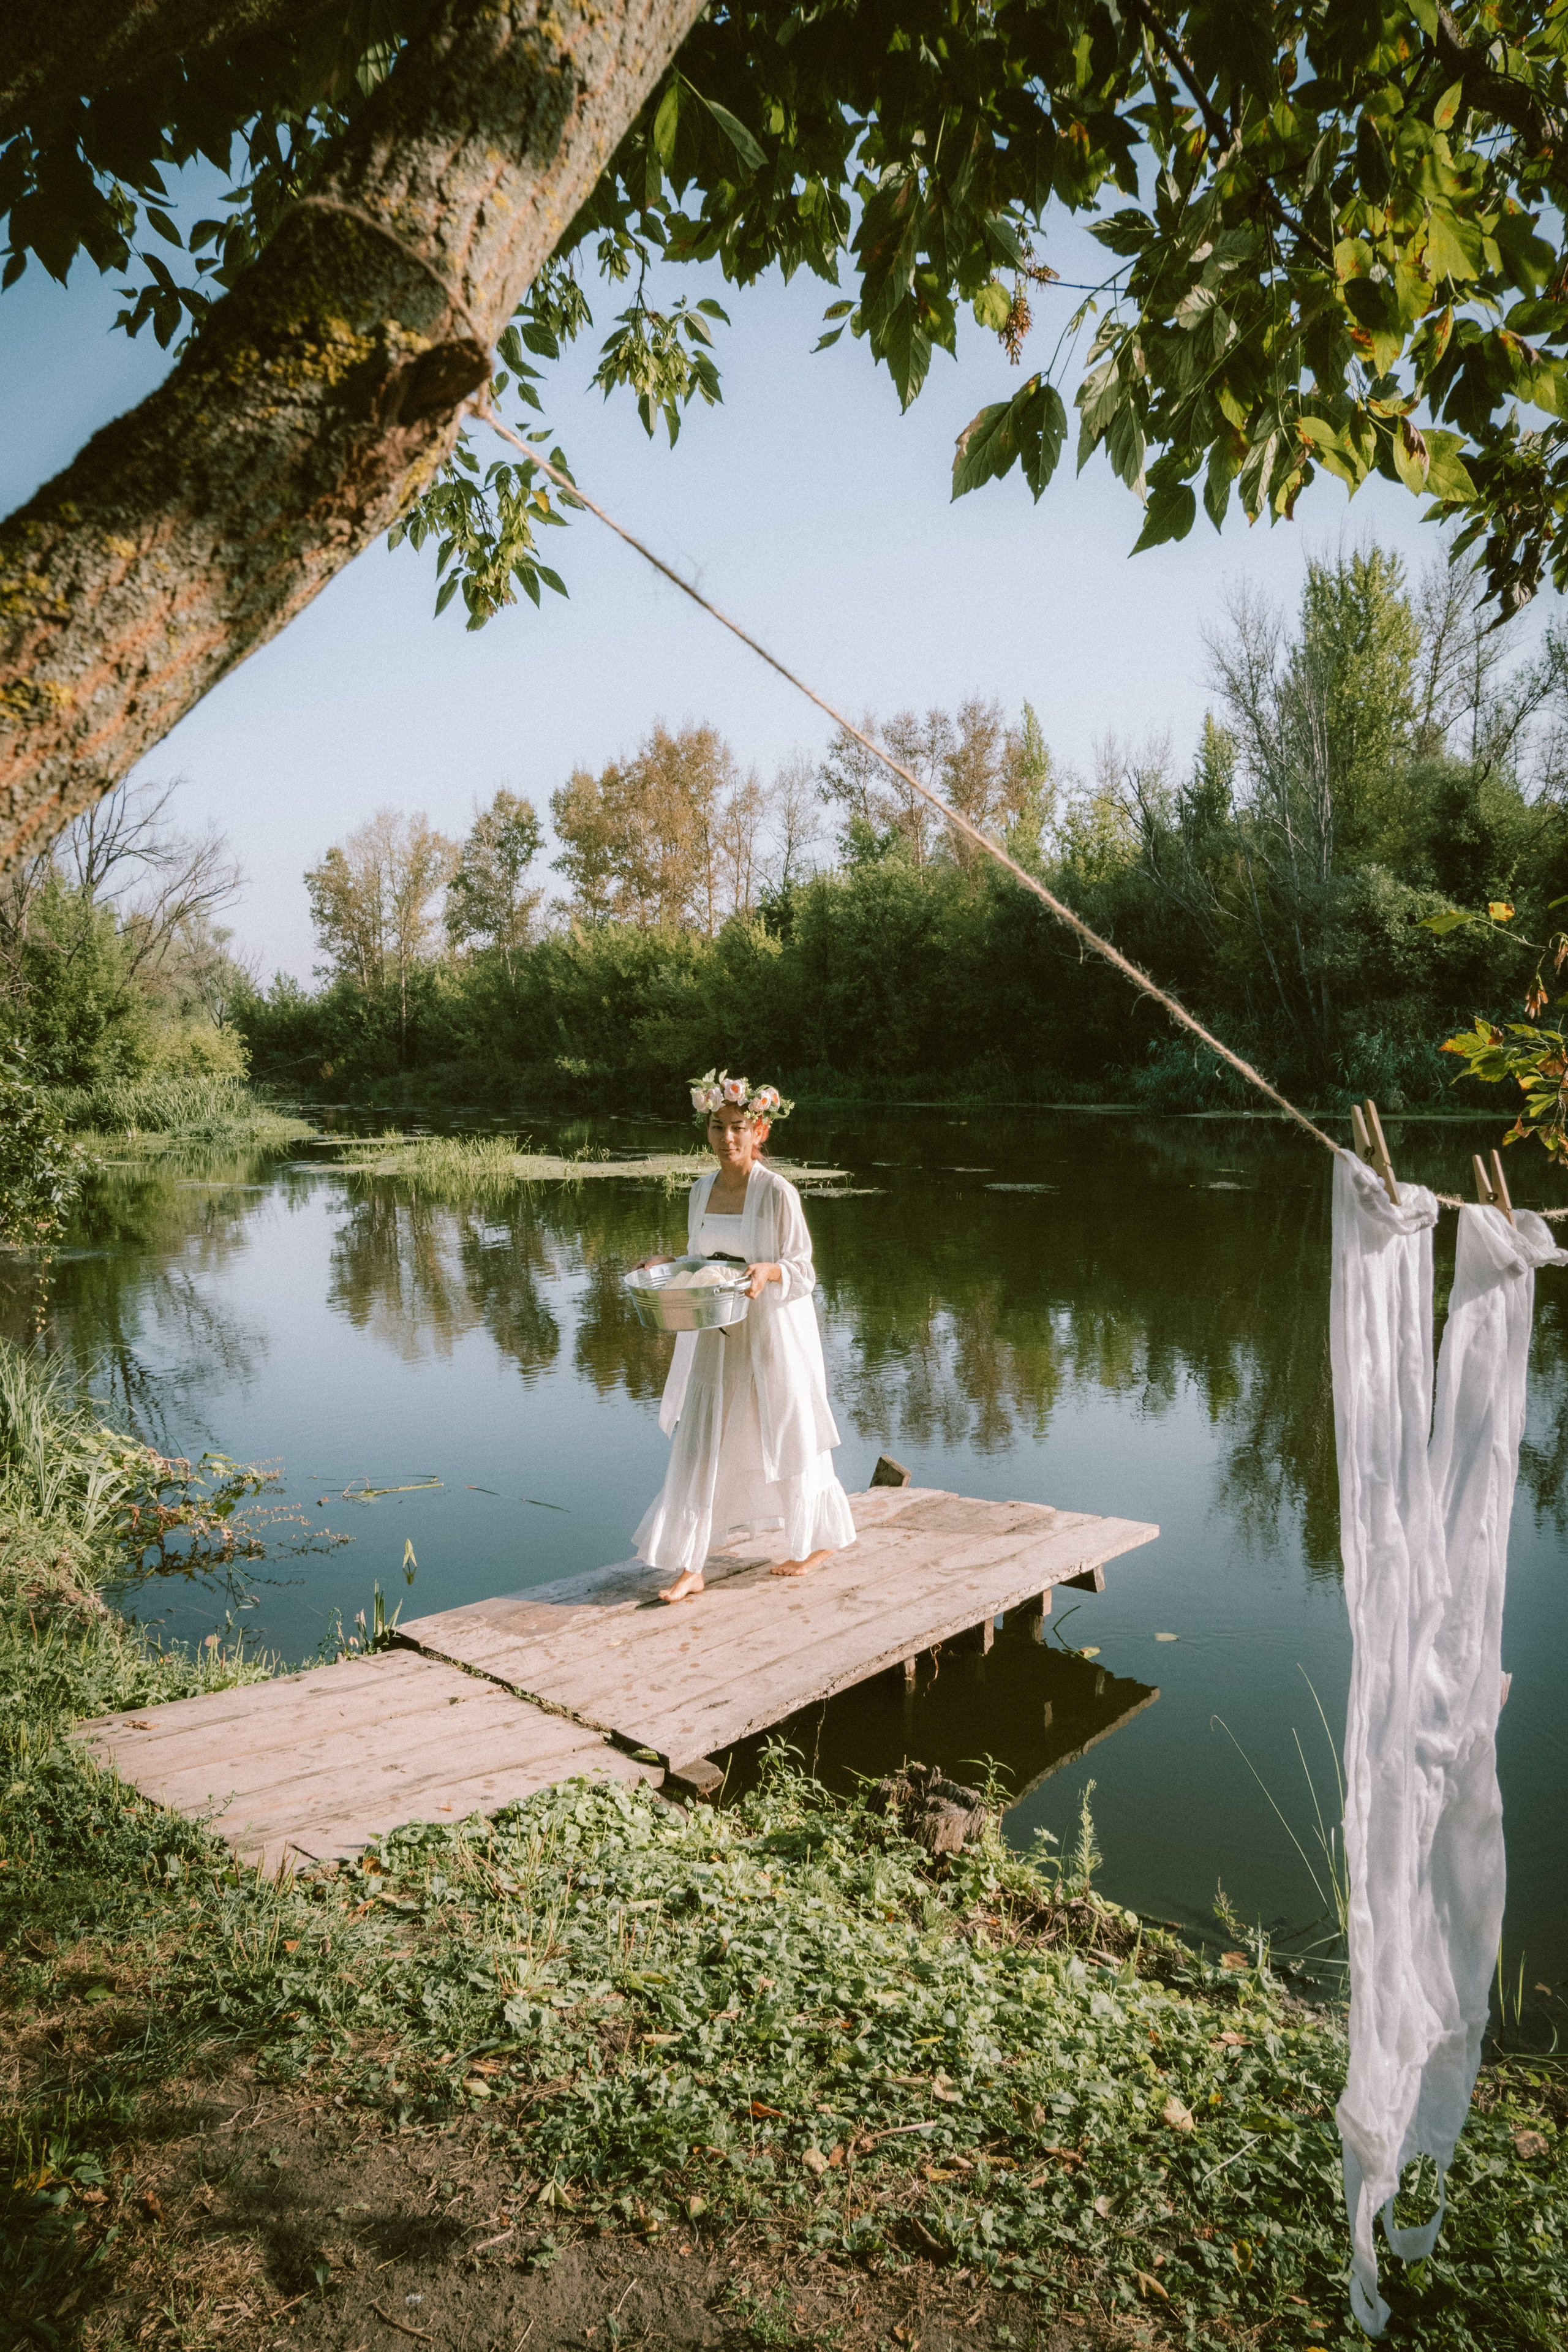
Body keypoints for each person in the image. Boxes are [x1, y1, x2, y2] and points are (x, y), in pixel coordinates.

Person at [632, 1068, 857, 1604]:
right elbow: (704, 1259)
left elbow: (803, 1271)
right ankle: (691, 1564)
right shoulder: (700, 1190)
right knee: (702, 1434)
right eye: (717, 1126)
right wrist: (669, 1261)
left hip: (773, 1329)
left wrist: (768, 1271)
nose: (727, 1137)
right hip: (716, 1328)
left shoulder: (777, 1193)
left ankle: (819, 1542)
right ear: (706, 1128)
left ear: (760, 1132)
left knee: (789, 1429)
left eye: (738, 1127)